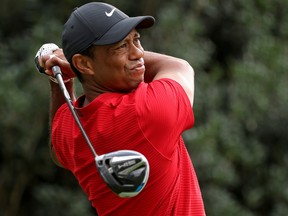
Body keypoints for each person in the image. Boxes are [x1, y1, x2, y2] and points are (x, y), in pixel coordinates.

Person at [37, 2, 205, 216]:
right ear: (84, 64)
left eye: (136, 39)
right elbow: (179, 67)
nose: (138, 53)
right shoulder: (146, 112)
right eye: (121, 46)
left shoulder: (70, 130)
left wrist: (59, 77)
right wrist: (67, 64)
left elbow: (56, 151)